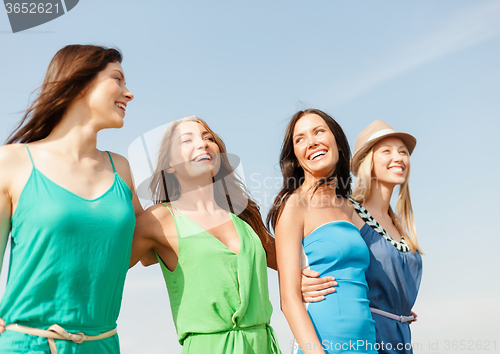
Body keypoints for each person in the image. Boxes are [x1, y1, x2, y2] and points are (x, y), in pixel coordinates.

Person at [0, 45, 142, 353]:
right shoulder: (10, 162)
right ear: (79, 83)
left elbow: (143, 243)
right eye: (117, 79)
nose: (128, 93)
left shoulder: (122, 170)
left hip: (102, 345)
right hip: (26, 344)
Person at [130, 116, 281, 354]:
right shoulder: (158, 219)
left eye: (208, 138)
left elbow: (291, 263)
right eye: (187, 140)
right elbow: (107, 270)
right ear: (169, 165)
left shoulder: (244, 214)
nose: (202, 144)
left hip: (262, 345)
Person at [301, 120, 423, 354]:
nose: (398, 158)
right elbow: (309, 249)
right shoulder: (348, 211)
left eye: (403, 152)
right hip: (364, 337)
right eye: (386, 151)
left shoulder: (401, 225)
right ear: (368, 161)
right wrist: (299, 278)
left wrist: (399, 308)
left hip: (401, 340)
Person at [267, 109, 376, 354]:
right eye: (300, 139)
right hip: (322, 345)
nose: (312, 141)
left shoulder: (350, 208)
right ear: (295, 158)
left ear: (338, 144)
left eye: (319, 131)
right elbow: (290, 300)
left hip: (367, 343)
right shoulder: (294, 205)